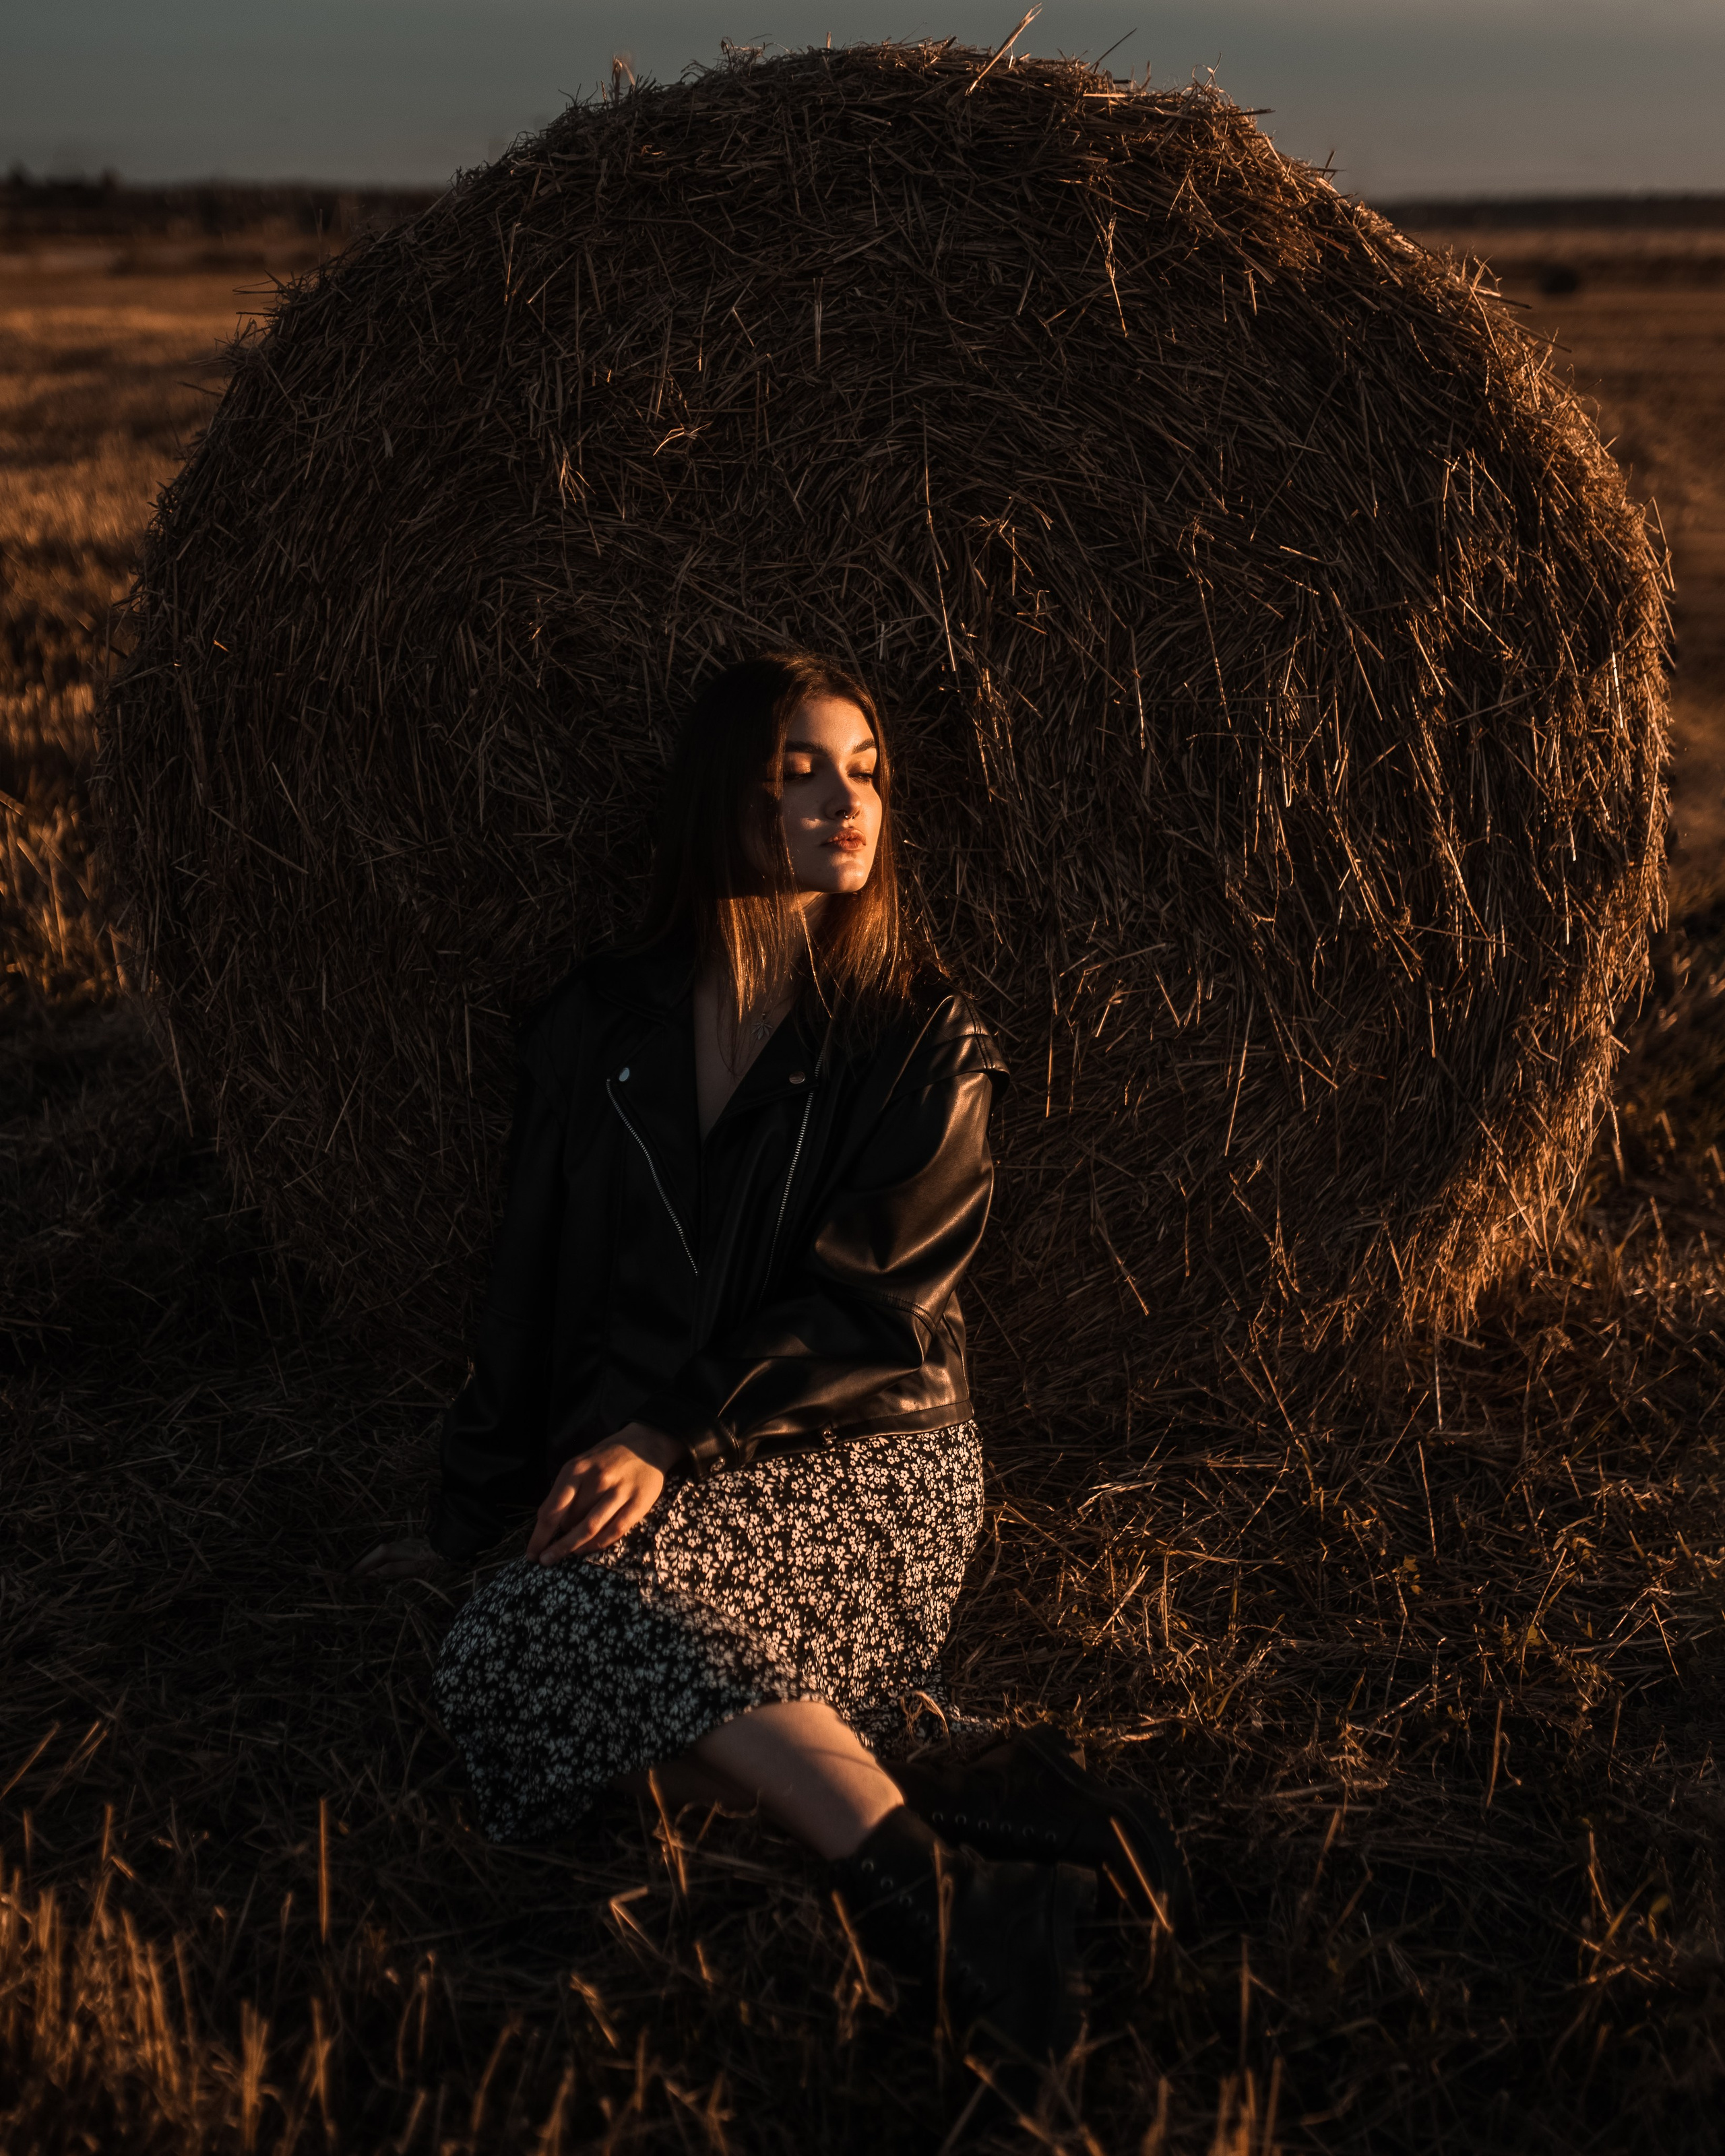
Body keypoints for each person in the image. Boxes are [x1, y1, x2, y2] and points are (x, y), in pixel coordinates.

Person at [356, 650, 1190, 2069]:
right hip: (657, 1461)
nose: (842, 799)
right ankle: (950, 1812)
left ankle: (952, 1908)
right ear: (721, 794)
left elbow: (870, 1309)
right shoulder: (594, 1029)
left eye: (865, 769)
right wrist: (471, 1509)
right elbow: (528, 1298)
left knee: (549, 1644)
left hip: (867, 1454)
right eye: (799, 768)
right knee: (501, 1647)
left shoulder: (923, 1041)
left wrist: (663, 1432)